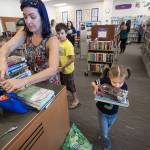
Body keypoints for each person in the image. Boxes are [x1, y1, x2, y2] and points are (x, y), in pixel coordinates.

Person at [0, 0, 59, 93]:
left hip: (50, 86)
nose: (28, 21)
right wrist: (2, 62)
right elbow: (5, 48)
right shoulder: (25, 33)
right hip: (32, 83)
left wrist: (22, 81)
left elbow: (53, 69)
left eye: (32, 17)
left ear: (42, 17)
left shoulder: (51, 39)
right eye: (25, 17)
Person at [91, 65, 131, 150]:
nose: (117, 85)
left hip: (114, 114)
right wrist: (95, 89)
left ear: (124, 80)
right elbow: (93, 83)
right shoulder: (105, 80)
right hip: (102, 112)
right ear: (110, 77)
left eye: (120, 83)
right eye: (114, 82)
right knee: (105, 134)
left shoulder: (124, 87)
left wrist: (123, 100)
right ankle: (107, 146)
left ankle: (102, 132)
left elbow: (124, 99)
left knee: (107, 127)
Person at [55, 23, 80, 109]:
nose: (60, 35)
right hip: (61, 69)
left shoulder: (68, 45)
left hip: (68, 69)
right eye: (58, 33)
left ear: (66, 33)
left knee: (71, 85)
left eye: (62, 33)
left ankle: (76, 100)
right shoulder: (58, 42)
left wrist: (63, 67)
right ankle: (65, 94)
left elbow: (72, 58)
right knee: (63, 83)